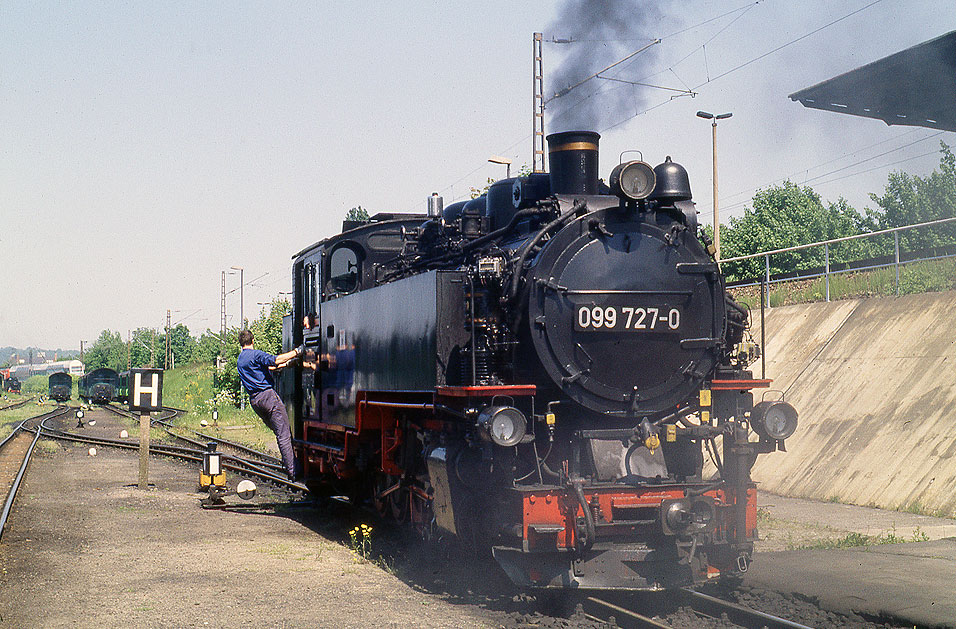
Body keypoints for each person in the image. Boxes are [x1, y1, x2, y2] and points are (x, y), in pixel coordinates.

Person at [236, 329, 303, 480]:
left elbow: (271, 367)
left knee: (279, 432)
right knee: (284, 434)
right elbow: (276, 360)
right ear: (253, 340)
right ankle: (294, 472)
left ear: (241, 343)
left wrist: (288, 364)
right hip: (268, 397)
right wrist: (298, 351)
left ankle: (289, 464)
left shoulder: (241, 359)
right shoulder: (256, 354)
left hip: (255, 401)